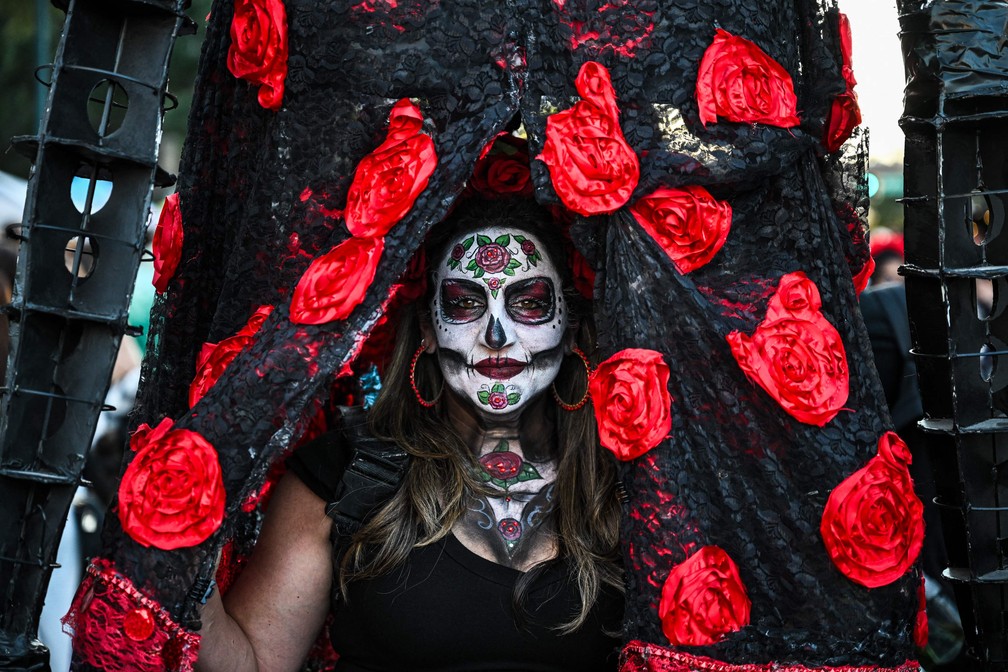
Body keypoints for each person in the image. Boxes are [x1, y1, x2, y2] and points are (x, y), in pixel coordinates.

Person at [195, 196, 624, 671]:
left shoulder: (629, 487)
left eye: (528, 302)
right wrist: (186, 564)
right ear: (427, 330)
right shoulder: (343, 473)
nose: (496, 335)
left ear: (569, 330)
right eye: (463, 304)